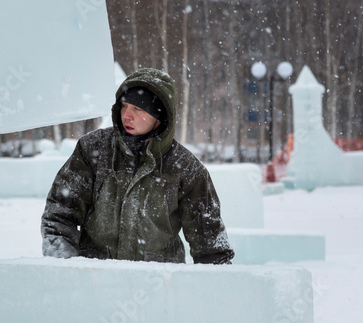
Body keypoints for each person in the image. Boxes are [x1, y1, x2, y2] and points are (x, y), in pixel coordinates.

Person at [41, 68, 234, 264]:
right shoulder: (92, 150)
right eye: (124, 106)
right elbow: (59, 216)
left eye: (138, 109)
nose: (127, 115)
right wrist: (66, 268)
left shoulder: (186, 167)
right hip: (95, 282)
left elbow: (211, 245)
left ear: (159, 116)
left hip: (160, 286)